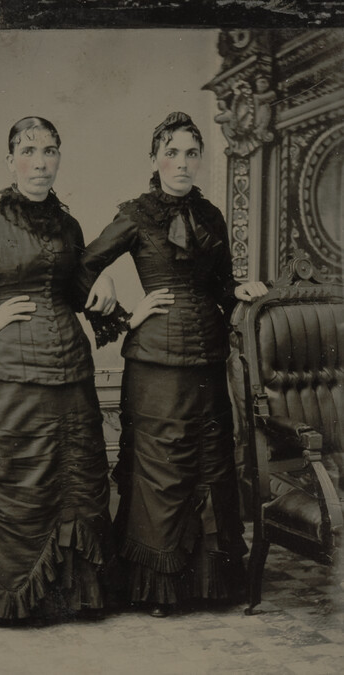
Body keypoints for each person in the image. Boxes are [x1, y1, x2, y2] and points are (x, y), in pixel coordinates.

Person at [0, 116, 158, 626]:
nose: (40, 162)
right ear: (11, 161)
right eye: (28, 151)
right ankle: (16, 603)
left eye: (49, 151)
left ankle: (74, 599)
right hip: (8, 378)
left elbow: (73, 289)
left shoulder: (68, 225)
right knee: (18, 486)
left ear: (58, 159)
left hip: (70, 372)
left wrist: (105, 287)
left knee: (76, 483)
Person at [77, 112, 268, 617]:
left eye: (190, 153)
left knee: (211, 460)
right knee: (163, 467)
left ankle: (212, 585)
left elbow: (220, 284)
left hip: (207, 357)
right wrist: (123, 311)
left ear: (199, 159)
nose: (181, 163)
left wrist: (238, 290)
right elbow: (80, 267)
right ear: (155, 157)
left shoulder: (210, 216)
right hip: (156, 359)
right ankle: (159, 589)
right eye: (172, 152)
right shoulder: (136, 214)